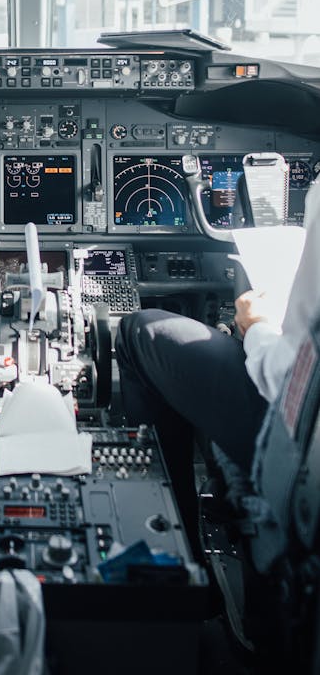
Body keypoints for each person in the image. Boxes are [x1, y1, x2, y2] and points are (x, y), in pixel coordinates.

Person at [115, 178, 320, 552]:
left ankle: (178, 545)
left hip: (296, 437)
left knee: (141, 331)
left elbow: (287, 378)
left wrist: (256, 328)